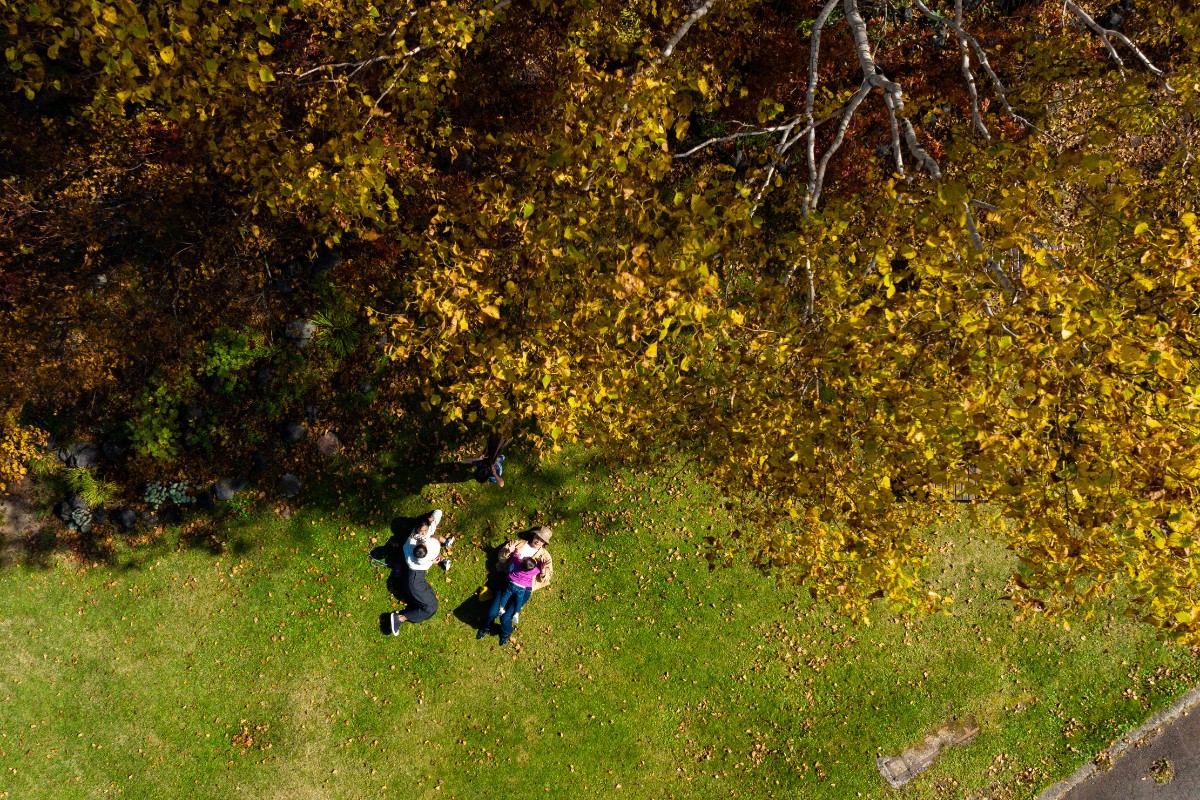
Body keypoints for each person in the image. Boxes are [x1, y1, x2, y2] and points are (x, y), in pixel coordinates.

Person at [477, 525, 553, 645]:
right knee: (492, 612)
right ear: (533, 535)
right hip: (507, 582)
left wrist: (543, 571)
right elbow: (501, 557)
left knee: (505, 618)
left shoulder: (545, 556)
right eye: (538, 537)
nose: (538, 541)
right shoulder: (518, 544)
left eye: (542, 540)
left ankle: (505, 633)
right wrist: (508, 551)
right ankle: (486, 627)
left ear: (545, 543)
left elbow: (547, 576)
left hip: (524, 590)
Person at [384, 509, 451, 633]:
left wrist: (431, 517)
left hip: (414, 579)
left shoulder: (415, 540)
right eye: (422, 532)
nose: (424, 534)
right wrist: (432, 561)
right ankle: (399, 618)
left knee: (431, 601)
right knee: (431, 608)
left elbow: (437, 514)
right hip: (414, 582)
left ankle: (414, 607)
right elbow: (423, 561)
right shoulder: (418, 553)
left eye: (425, 531)